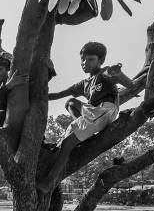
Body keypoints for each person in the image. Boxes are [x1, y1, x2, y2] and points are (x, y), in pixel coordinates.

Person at [42, 42, 134, 192]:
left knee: (67, 144)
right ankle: (85, 134)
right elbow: (58, 95)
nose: (85, 63)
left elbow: (130, 84)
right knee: (70, 103)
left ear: (101, 61)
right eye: (83, 60)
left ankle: (48, 182)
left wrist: (119, 75)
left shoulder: (105, 73)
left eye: (90, 59)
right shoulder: (84, 83)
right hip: (92, 113)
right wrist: (35, 94)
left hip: (105, 111)